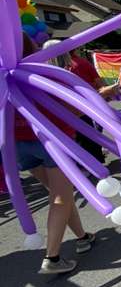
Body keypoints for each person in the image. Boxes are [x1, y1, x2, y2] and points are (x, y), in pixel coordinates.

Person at [6, 35, 96, 273]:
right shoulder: (40, 75)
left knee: (61, 194)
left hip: (20, 145)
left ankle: (83, 237)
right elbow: (71, 110)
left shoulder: (5, 78)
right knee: (61, 197)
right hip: (51, 142)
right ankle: (52, 258)